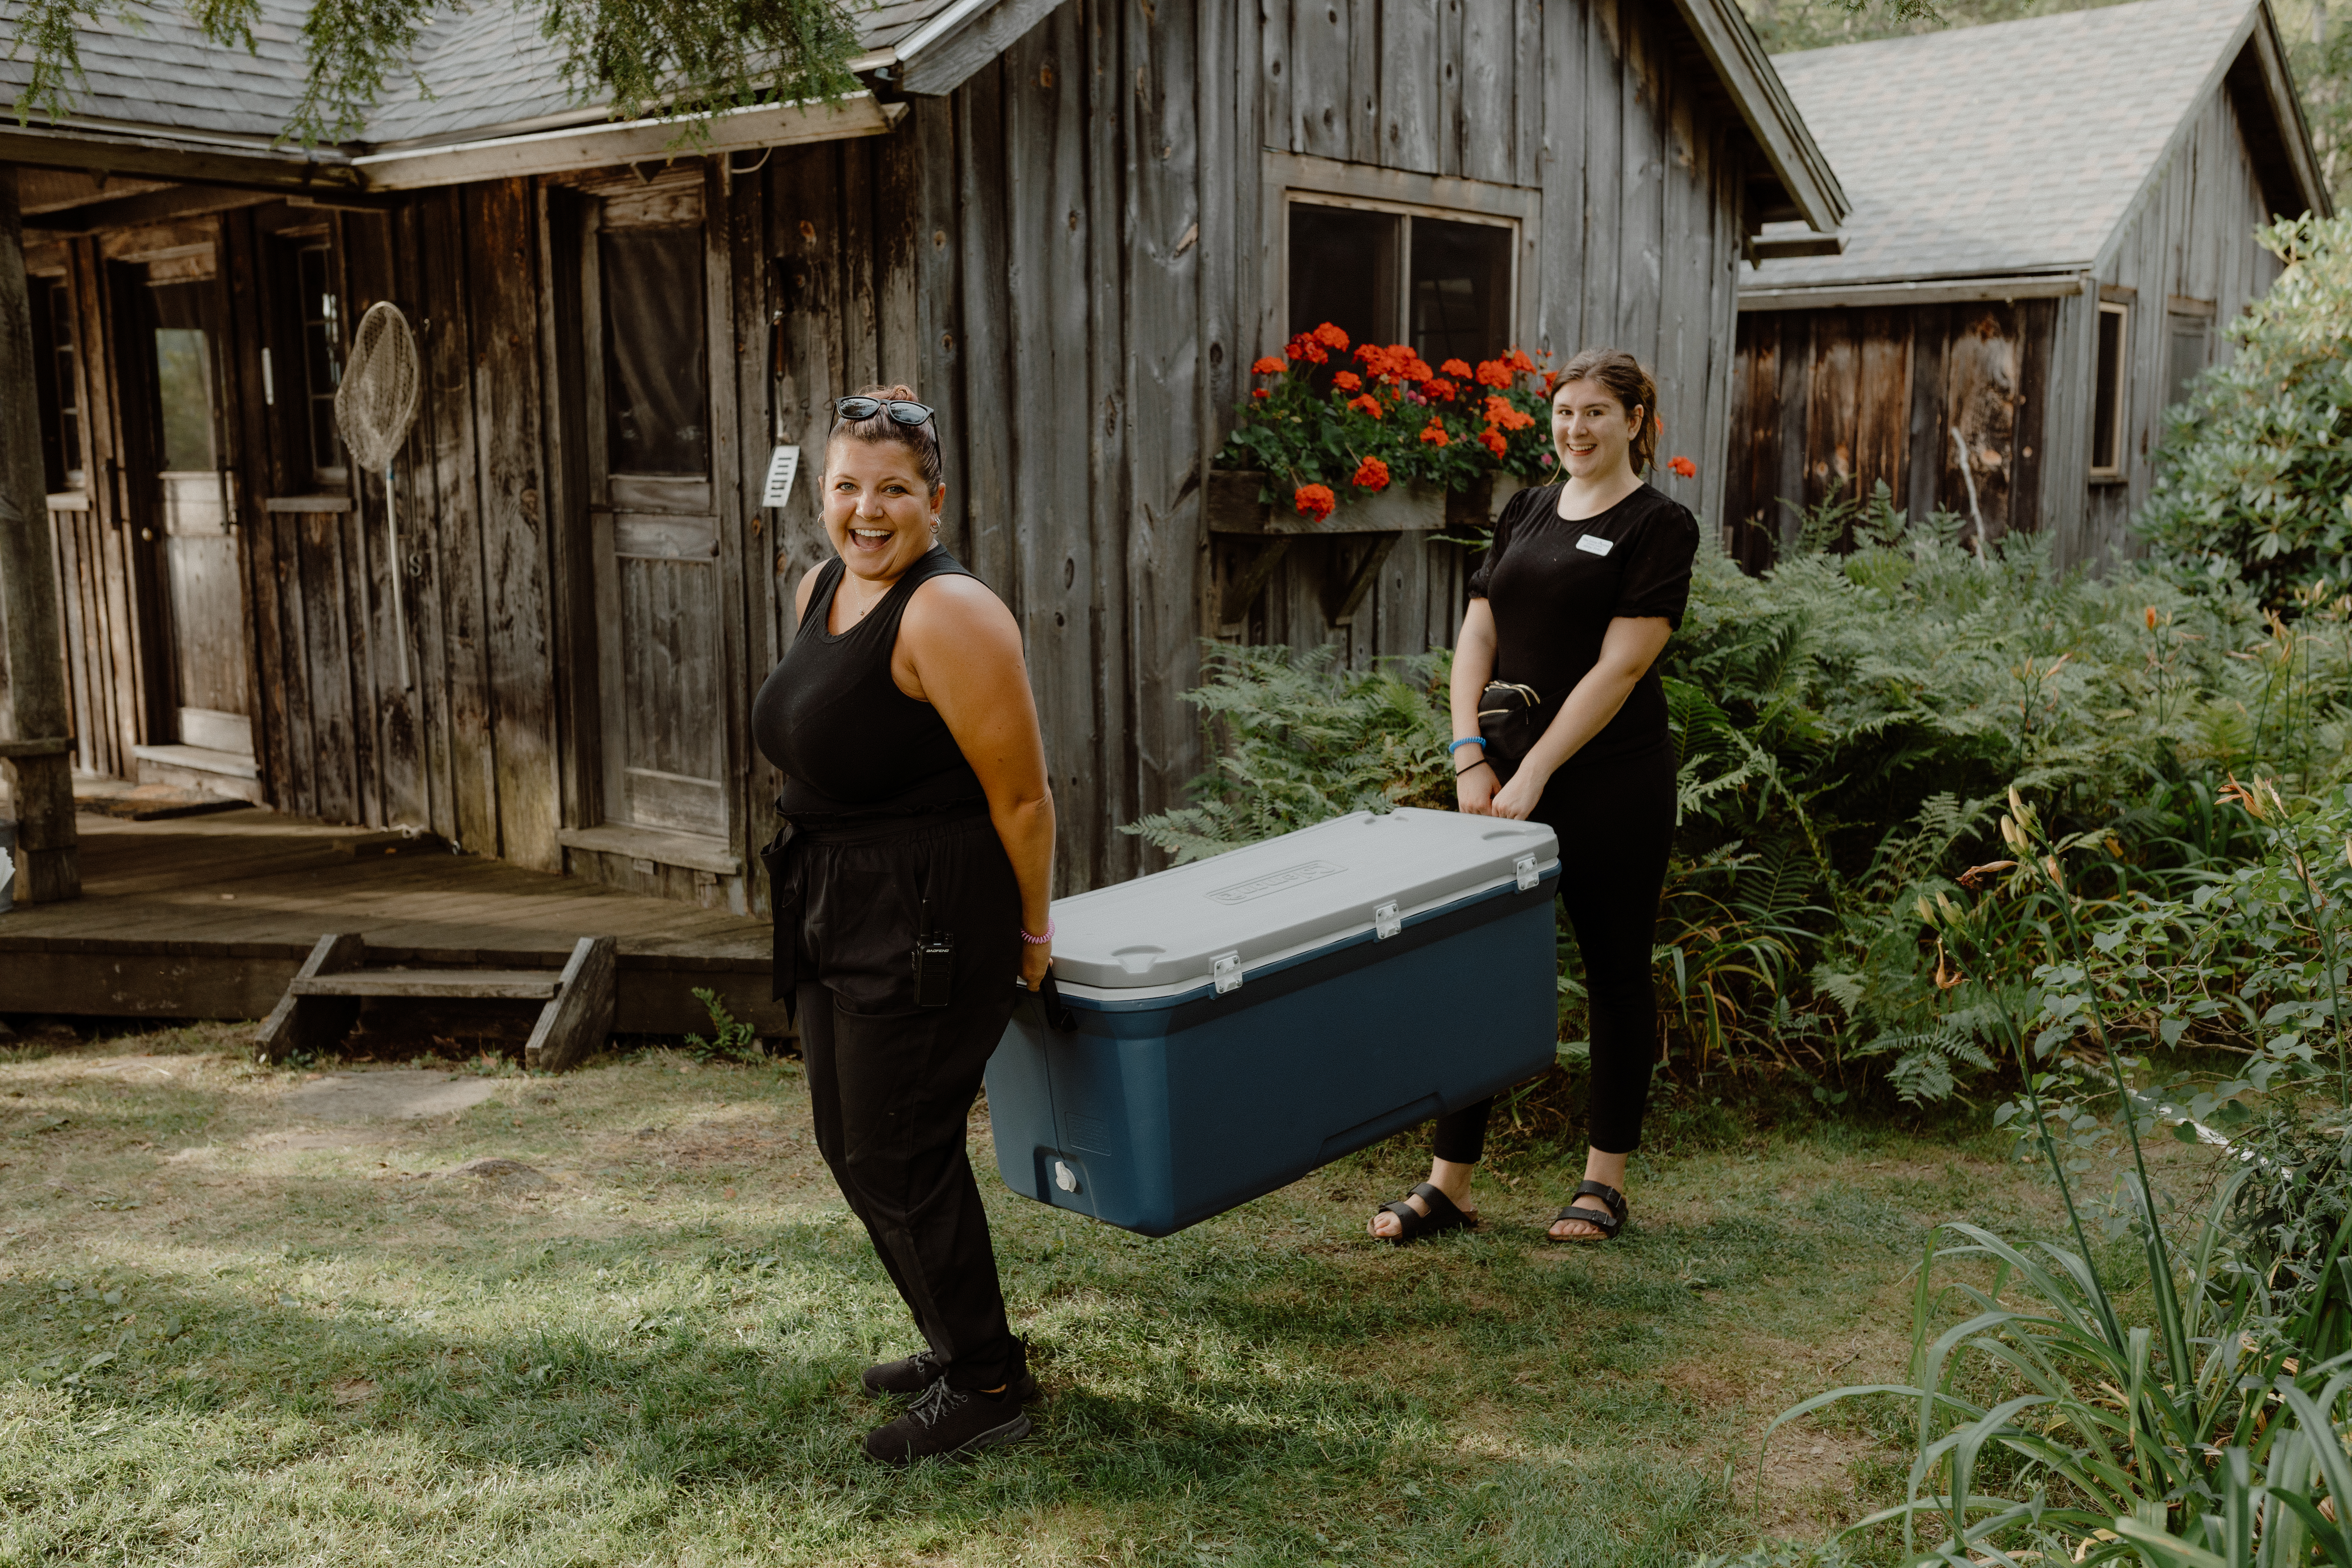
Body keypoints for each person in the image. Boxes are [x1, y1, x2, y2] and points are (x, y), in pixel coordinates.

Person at [751, 385, 1056, 1462]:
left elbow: (1023, 798)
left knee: (899, 1147)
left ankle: (987, 1387)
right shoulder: (819, 586)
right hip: (837, 899)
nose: (865, 512)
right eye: (846, 488)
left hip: (933, 915)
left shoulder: (949, 613)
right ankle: (961, 1337)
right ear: (823, 496)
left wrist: (1031, 936)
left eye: (892, 491)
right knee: (854, 1143)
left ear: (937, 498)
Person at [1368, 349, 1698, 1246]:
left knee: (1616, 972)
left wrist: (1539, 771)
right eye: (1563, 412)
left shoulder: (1658, 525)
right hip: (1499, 780)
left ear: (1635, 420)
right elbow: (1480, 628)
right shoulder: (1526, 506)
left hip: (1609, 783)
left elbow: (1622, 666)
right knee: (1475, 974)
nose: (1576, 429)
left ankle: (1603, 1182)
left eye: (1597, 413)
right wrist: (1470, 753)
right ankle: (1451, 1187)